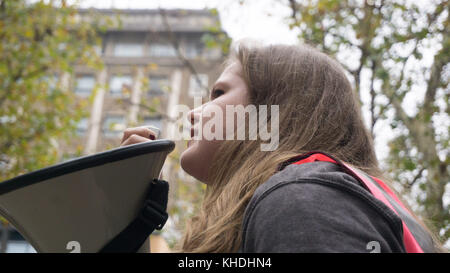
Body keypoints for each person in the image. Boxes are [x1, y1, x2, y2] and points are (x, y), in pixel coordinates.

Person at [119, 39, 444, 253]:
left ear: (273, 112)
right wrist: (126, 221)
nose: (192, 113)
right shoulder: (315, 198)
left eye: (218, 94)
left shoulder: (302, 198)